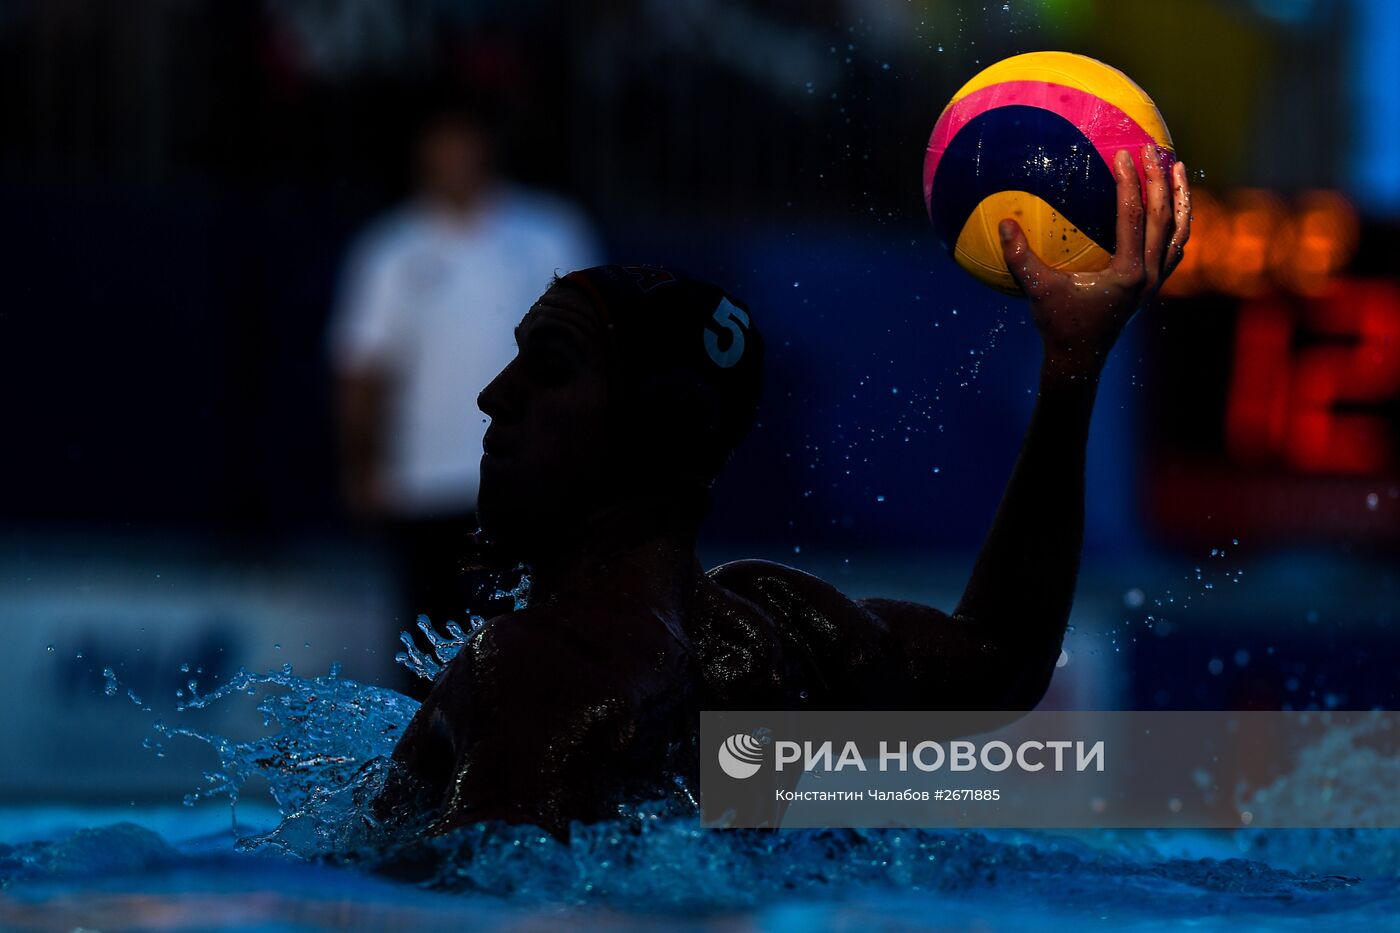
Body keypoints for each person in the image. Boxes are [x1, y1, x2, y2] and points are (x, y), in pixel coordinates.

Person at [379, 147, 1192, 839]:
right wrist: (1073, 366)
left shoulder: (534, 671)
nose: (495, 394)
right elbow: (1001, 663)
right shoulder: (777, 633)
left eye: (550, 367)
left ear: (650, 436)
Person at [331, 94, 602, 652]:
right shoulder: (390, 250)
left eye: (465, 144)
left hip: (529, 478)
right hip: (424, 484)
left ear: (487, 149)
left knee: (529, 644)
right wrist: (362, 463)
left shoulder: (548, 233)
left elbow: (590, 351)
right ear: (423, 155)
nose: (455, 158)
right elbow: (362, 369)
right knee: (427, 652)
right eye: (442, 146)